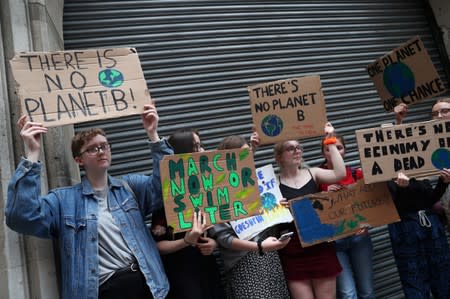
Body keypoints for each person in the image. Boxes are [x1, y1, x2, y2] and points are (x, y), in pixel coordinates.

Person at [5, 104, 171, 299]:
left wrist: (153, 135)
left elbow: (167, 189)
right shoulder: (63, 200)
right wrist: (32, 154)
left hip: (149, 285)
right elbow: (21, 217)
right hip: (105, 290)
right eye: (92, 149)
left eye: (104, 146)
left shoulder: (130, 187)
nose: (101, 151)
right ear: (79, 160)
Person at [209, 134, 291, 299]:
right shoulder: (216, 192)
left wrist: (276, 207)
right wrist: (259, 247)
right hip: (244, 262)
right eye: (242, 156)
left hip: (269, 256)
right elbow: (224, 238)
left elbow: (264, 221)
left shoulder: (253, 182)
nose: (248, 159)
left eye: (249, 155)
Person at [150, 128, 225, 299]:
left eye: (201, 145)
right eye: (196, 147)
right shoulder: (166, 196)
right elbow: (157, 246)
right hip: (181, 273)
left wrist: (214, 243)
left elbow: (219, 227)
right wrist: (185, 241)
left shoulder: (207, 187)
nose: (203, 151)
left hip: (207, 267)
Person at [274, 122, 346, 299]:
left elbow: (340, 173)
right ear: (279, 157)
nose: (297, 151)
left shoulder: (313, 173)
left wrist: (330, 140)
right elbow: (262, 213)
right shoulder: (273, 183)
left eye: (299, 147)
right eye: (291, 148)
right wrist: (275, 208)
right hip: (293, 252)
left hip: (320, 247)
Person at [390, 99, 450, 298]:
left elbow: (429, 199)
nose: (438, 117)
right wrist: (443, 182)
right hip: (408, 229)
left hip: (432, 226)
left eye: (444, 112)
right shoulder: (393, 170)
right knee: (416, 282)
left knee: (443, 280)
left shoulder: (428, 163)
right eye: (435, 114)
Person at [318, 134, 375, 299]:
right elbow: (308, 207)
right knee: (347, 293)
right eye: (328, 149)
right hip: (334, 243)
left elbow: (375, 203)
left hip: (359, 239)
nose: (333, 152)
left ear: (344, 151)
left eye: (338, 147)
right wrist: (323, 195)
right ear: (323, 153)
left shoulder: (357, 174)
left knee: (367, 291)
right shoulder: (315, 177)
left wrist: (367, 223)